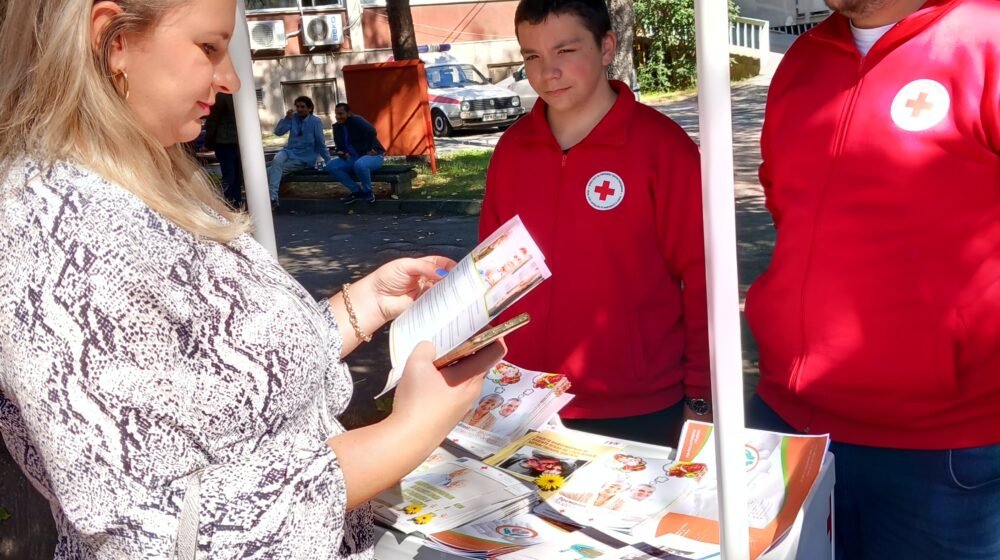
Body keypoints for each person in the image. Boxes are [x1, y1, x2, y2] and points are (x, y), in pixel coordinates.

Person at [0, 1, 505, 557]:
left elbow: (232, 376)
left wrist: (367, 303)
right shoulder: (62, 234)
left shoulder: (138, 177)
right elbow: (166, 528)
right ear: (112, 39)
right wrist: (411, 429)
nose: (231, 80)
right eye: (209, 48)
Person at [743, 0, 1000, 558]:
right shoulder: (803, 60)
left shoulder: (988, 40)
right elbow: (788, 208)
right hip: (787, 423)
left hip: (942, 449)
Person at [478, 0, 711, 446]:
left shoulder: (663, 149)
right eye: (532, 56)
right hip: (522, 399)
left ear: (606, 47)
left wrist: (701, 395)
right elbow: (493, 276)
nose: (548, 73)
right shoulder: (512, 150)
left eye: (565, 51)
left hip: (637, 407)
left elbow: (704, 279)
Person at [266, 95, 331, 210]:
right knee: (276, 160)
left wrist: (328, 160)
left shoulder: (315, 121)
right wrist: (287, 119)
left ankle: (272, 198)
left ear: (310, 108)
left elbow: (320, 143)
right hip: (289, 151)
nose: (299, 109)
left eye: (302, 107)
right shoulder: (293, 118)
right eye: (297, 107)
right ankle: (273, 198)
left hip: (304, 157)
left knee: (269, 172)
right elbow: (278, 132)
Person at [327, 102, 386, 205]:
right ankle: (356, 191)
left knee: (360, 164)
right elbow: (339, 147)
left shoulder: (356, 120)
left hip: (374, 155)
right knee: (331, 166)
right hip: (354, 158)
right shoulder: (337, 127)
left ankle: (368, 192)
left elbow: (371, 131)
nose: (338, 117)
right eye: (336, 114)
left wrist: (369, 148)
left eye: (341, 114)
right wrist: (341, 153)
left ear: (349, 113)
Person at [204, 91, 243, 208]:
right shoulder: (224, 97)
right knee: (231, 174)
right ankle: (229, 201)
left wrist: (209, 142)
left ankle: (234, 201)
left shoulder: (232, 96)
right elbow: (213, 121)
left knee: (235, 174)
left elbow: (212, 121)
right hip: (226, 142)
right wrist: (209, 142)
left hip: (232, 141)